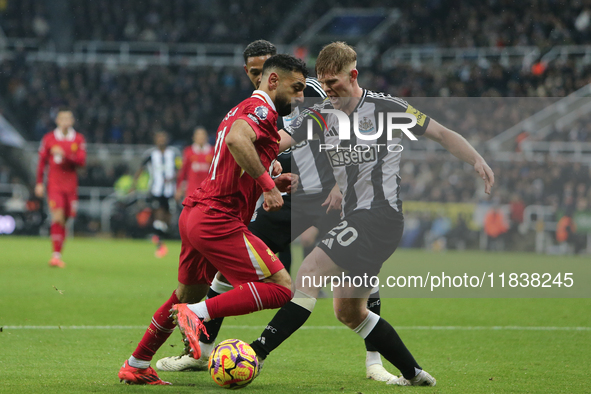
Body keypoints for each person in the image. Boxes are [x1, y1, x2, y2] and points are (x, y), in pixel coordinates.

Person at [175, 42, 494, 387]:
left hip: (378, 216)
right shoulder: (320, 114)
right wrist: (244, 145)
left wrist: (476, 158)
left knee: (308, 273)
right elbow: (276, 139)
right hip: (356, 218)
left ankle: (254, 352)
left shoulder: (388, 108)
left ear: (353, 75)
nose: (328, 91)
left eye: (334, 83)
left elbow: (442, 134)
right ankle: (414, 375)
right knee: (349, 312)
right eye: (323, 84)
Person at [156, 40, 394, 383]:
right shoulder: (257, 104)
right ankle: (202, 350)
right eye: (252, 72)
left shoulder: (309, 89)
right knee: (227, 269)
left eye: (263, 70)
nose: (258, 78)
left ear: (277, 70)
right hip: (290, 194)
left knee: (361, 271)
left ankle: (374, 361)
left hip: (330, 193)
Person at [118, 54, 308, 385]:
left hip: (196, 214)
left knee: (185, 294)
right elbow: (236, 140)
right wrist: (268, 187)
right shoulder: (260, 111)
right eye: (297, 88)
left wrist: (270, 180)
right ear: (274, 81)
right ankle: (197, 315)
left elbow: (233, 160)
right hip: (218, 218)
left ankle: (136, 363)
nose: (300, 98)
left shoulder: (241, 109)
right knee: (280, 288)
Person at [35, 107, 86, 268]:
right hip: (54, 185)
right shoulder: (49, 138)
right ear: (57, 121)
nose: (65, 122)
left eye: (68, 119)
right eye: (62, 119)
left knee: (66, 219)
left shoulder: (78, 139)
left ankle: (58, 253)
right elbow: (42, 162)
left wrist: (64, 154)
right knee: (57, 217)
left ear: (72, 121)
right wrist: (38, 183)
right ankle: (55, 256)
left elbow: (81, 162)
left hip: (71, 186)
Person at [131, 131, 181, 258]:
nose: (161, 140)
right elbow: (140, 169)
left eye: (163, 137)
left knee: (167, 219)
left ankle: (159, 237)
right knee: (158, 214)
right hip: (156, 190)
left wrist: (176, 181)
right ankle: (160, 244)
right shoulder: (151, 154)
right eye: (158, 137)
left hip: (170, 191)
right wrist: (134, 184)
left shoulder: (173, 153)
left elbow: (180, 169)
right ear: (155, 140)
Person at [175, 127, 213, 201]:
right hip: (192, 190)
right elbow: (183, 171)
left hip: (208, 190)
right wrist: (179, 188)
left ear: (206, 137)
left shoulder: (213, 151)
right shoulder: (188, 152)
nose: (201, 137)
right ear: (194, 137)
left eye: (203, 134)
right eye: (198, 135)